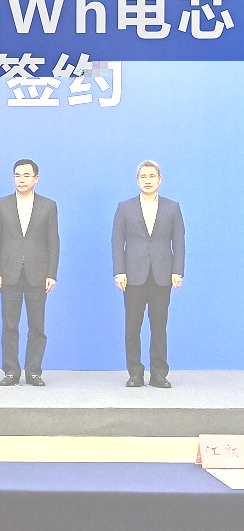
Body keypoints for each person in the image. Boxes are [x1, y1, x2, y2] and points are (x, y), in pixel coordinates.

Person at [112, 160, 185, 389]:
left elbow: (179, 241)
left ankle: (159, 374)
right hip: (133, 276)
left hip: (162, 275)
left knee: (159, 326)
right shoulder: (125, 207)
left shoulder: (172, 207)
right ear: (137, 181)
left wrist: (178, 271)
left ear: (159, 180)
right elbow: (117, 241)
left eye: (152, 176)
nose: (147, 180)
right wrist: (119, 271)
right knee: (133, 326)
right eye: (143, 176)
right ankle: (135, 373)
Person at [0, 159, 60, 387]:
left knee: (37, 326)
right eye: (17, 175)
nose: (21, 180)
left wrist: (51, 273)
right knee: (9, 325)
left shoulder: (48, 206)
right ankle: (11, 371)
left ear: (36, 179)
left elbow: (53, 242)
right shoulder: (1, 205)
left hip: (38, 274)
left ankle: (33, 372)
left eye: (26, 175)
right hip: (9, 273)